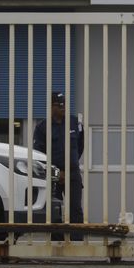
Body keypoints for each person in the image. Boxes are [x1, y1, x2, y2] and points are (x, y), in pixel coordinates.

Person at [33, 91, 84, 236]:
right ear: (51, 106)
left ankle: (77, 240)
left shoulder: (75, 123)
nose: (62, 107)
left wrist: (69, 167)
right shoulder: (42, 127)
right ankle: (57, 240)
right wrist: (55, 171)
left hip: (72, 173)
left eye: (64, 104)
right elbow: (39, 154)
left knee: (75, 208)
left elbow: (80, 147)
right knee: (54, 209)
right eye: (58, 104)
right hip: (52, 173)